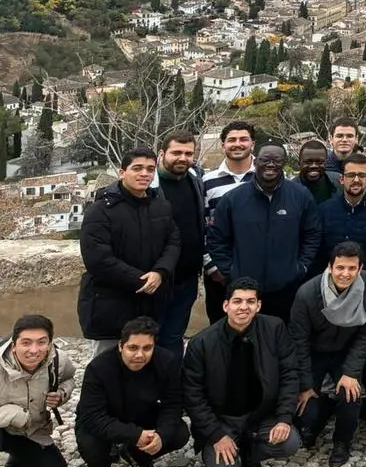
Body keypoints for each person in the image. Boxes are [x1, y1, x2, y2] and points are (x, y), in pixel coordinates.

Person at [182, 278, 302, 467]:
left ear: (259, 306)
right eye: (237, 301)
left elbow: (289, 374)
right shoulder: (201, 343)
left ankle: (247, 455)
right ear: (226, 305)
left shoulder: (274, 329)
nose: (244, 307)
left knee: (290, 442)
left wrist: (284, 417)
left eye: (250, 301)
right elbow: (193, 396)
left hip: (260, 416)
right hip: (222, 422)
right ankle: (227, 454)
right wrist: (216, 435)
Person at [287, 242, 366, 467]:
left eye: (351, 268)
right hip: (314, 352)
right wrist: (306, 384)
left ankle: (342, 442)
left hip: (346, 350)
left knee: (351, 394)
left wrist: (351, 372)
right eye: (340, 268)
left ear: (360, 269)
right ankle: (317, 418)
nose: (345, 274)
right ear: (330, 267)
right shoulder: (307, 293)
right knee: (305, 409)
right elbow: (298, 340)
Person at [78, 147, 181, 355]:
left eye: (150, 169)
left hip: (150, 305)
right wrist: (142, 280)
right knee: (107, 369)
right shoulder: (101, 210)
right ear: (122, 172)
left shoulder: (160, 206)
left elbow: (174, 241)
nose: (145, 174)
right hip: (110, 305)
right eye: (138, 168)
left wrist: (160, 272)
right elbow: (98, 259)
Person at [208, 142, 322, 321]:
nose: (271, 164)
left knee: (281, 339)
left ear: (284, 162)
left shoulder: (301, 196)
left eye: (277, 160)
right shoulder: (233, 199)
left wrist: (301, 267)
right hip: (244, 291)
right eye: (265, 159)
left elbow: (312, 235)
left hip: (287, 289)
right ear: (255, 162)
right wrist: (231, 272)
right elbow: (217, 239)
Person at [74, 317, 186, 467]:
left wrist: (161, 435)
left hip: (141, 414)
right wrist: (133, 434)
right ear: (120, 346)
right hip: (105, 418)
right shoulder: (98, 368)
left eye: (147, 348)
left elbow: (173, 404)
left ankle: (137, 455)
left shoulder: (167, 362)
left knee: (179, 433)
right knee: (91, 444)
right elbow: (92, 417)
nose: (140, 355)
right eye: (133, 348)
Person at [0, 315, 74, 467]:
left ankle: (18, 460)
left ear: (50, 343)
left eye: (41, 342)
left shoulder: (58, 361)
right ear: (14, 344)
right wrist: (9, 413)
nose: (34, 350)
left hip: (31, 431)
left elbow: (68, 379)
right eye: (26, 343)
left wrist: (61, 394)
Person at [153, 130, 205, 353]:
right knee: (149, 337)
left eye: (188, 153)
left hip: (187, 279)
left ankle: (171, 384)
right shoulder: (149, 187)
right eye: (176, 152)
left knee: (174, 338)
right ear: (162, 153)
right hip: (157, 281)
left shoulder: (195, 181)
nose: (183, 158)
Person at [201, 120, 258, 321]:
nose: (237, 143)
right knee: (220, 327)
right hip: (219, 274)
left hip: (259, 270)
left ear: (253, 144)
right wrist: (212, 267)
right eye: (231, 140)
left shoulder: (270, 177)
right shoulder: (208, 181)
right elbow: (202, 226)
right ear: (223, 145)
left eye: (243, 139)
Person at [317, 153, 366, 272]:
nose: (356, 180)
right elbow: (318, 253)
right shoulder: (324, 211)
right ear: (342, 179)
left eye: (361, 175)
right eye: (351, 175)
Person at [293, 139, 338, 205]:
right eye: (308, 162)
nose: (314, 166)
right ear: (299, 163)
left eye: (320, 162)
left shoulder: (339, 183)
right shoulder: (288, 190)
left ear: (326, 163)